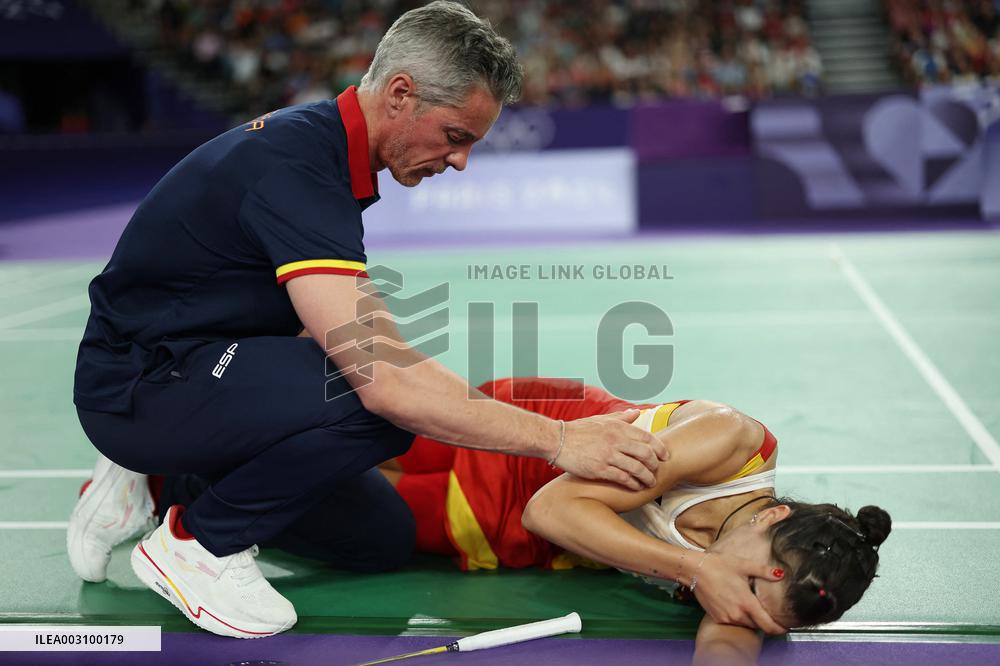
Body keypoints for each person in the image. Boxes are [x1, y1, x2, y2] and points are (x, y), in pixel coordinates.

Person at [67, 1, 680, 640]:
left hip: (199, 362)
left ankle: (156, 482)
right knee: (370, 402)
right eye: (456, 136)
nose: (462, 160)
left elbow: (327, 330)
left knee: (382, 538)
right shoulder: (299, 171)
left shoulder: (327, 154)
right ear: (400, 95)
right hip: (140, 386)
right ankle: (198, 544)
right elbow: (388, 384)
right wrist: (561, 441)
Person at [380, 377, 891, 663]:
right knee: (352, 431)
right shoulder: (732, 442)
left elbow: (727, 639)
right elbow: (551, 508)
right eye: (752, 581)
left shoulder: (750, 585)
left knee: (345, 499)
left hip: (509, 526)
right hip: (535, 430)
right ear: (773, 517)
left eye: (755, 606)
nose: (736, 595)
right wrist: (695, 568)